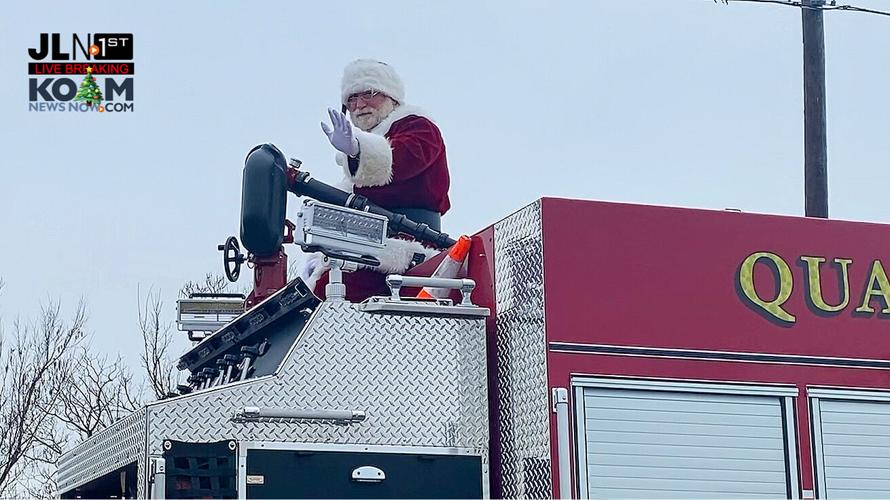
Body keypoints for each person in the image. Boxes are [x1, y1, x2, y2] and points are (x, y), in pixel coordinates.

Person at [303, 59, 451, 301]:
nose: (359, 105)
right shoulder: (369, 147)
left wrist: (357, 150)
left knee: (331, 296)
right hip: (364, 247)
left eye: (369, 94)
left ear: (391, 97)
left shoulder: (419, 127)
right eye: (351, 100)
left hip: (403, 250)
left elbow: (401, 161)